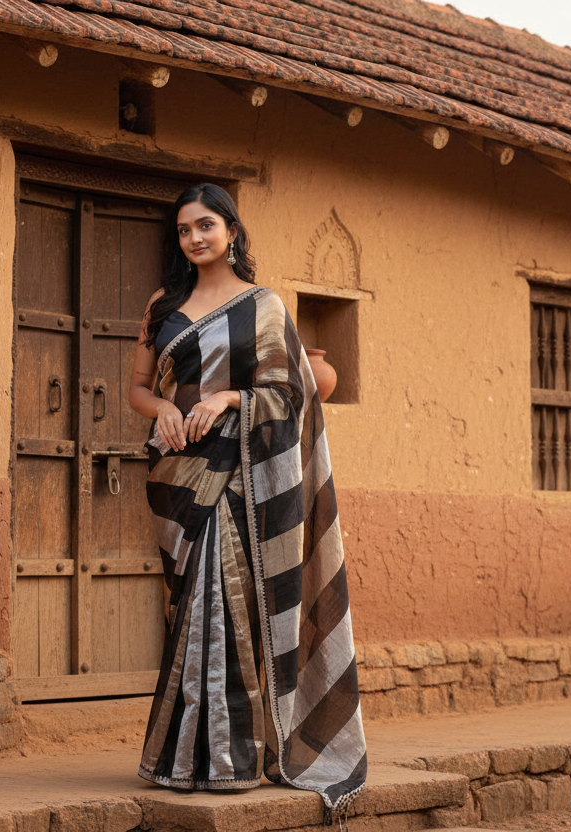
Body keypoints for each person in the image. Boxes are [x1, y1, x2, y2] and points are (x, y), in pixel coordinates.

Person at [127, 183, 366, 822]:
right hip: (177, 472)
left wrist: (226, 399)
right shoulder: (165, 304)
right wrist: (165, 412)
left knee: (224, 597)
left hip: (239, 470)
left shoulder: (262, 308)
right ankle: (180, 757)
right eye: (184, 230)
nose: (195, 238)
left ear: (232, 230)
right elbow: (136, 389)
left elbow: (290, 394)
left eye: (206, 225)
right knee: (187, 607)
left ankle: (228, 758)